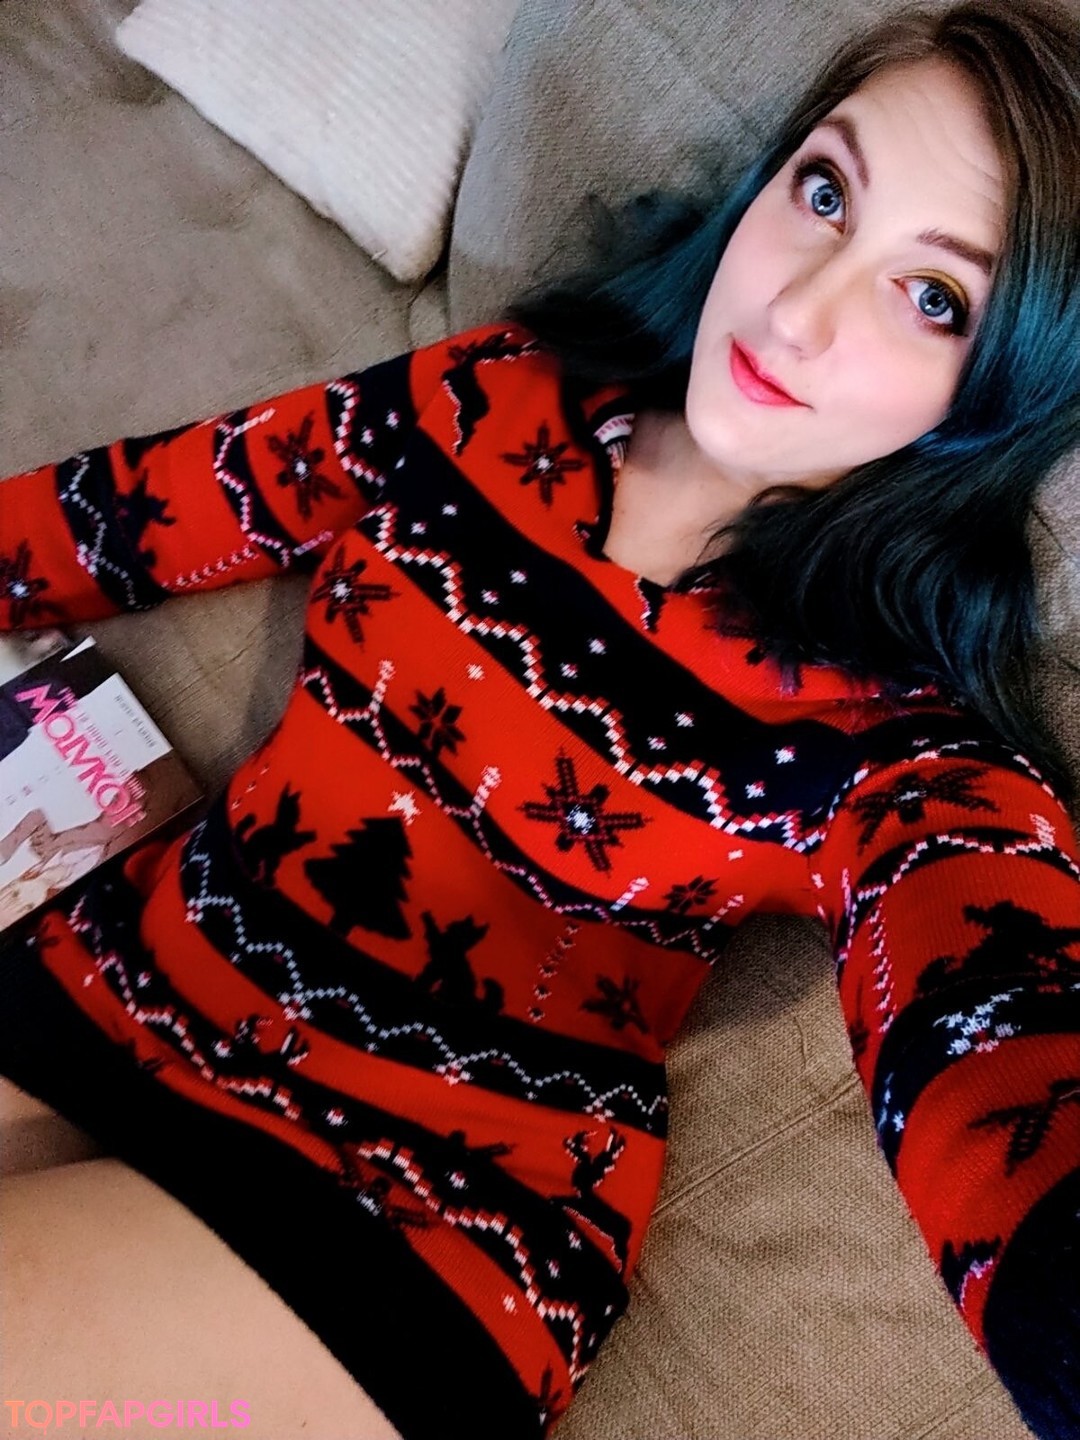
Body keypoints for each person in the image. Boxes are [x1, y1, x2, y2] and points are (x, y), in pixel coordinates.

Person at [1, 0, 1078, 1435]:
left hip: (422, 1203)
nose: (799, 308)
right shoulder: (494, 392)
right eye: (827, 192)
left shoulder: (893, 745)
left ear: (999, 395)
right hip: (126, 972)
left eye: (933, 297)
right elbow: (146, 510)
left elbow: (998, 1010)